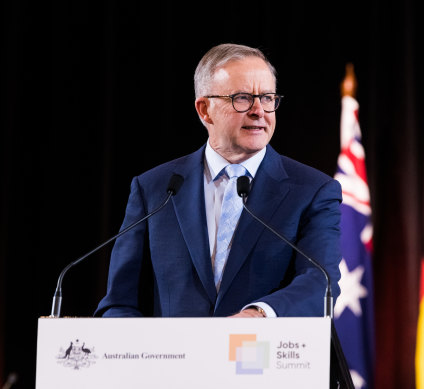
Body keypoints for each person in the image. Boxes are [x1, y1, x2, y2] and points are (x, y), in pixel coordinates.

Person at [94, 43, 342, 318]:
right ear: (204, 110)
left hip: (261, 356)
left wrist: (258, 316)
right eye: (243, 98)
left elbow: (321, 282)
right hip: (175, 359)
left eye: (268, 98)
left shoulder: (312, 190)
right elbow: (119, 302)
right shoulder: (155, 188)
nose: (259, 110)